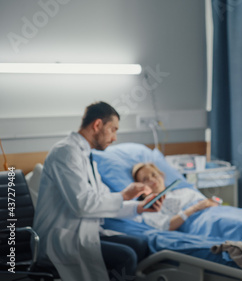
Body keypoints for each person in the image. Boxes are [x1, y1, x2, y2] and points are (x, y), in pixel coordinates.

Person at [33, 102, 164, 281]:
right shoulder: (66, 153)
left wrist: (139, 207)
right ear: (97, 125)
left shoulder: (87, 157)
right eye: (113, 129)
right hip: (61, 238)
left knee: (141, 244)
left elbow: (101, 200)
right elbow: (83, 205)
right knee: (126, 256)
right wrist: (124, 195)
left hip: (85, 232)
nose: (115, 137)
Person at [131, 162, 242, 241]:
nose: (152, 180)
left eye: (153, 175)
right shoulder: (150, 208)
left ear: (162, 175)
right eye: (145, 180)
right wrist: (194, 209)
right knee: (233, 223)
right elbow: (167, 226)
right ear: (140, 187)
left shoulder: (182, 190)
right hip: (197, 221)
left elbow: (204, 201)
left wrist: (210, 203)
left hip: (212, 210)